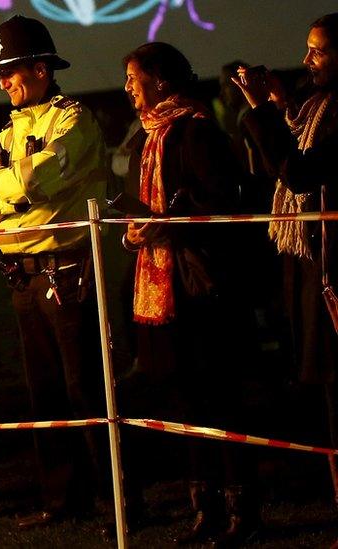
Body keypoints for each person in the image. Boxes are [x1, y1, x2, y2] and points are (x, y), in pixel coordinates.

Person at [0, 15, 110, 528]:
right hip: (24, 278)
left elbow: (37, 179)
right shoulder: (9, 129)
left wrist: (14, 188)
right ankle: (61, 498)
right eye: (0, 72)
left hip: (66, 273)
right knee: (43, 396)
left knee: (86, 390)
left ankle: (114, 498)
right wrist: (19, 190)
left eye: (12, 70)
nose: (3, 82)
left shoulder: (75, 120)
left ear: (42, 69)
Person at [121, 43, 259, 545]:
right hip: (158, 285)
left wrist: (168, 227)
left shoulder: (196, 131)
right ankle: (203, 508)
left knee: (219, 397)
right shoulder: (143, 138)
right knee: (182, 400)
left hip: (200, 287)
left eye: (134, 78)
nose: (128, 88)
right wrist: (134, 231)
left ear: (159, 79)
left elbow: (220, 203)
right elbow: (142, 206)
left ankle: (242, 507)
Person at [235, 14, 338, 546]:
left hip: (334, 269)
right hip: (314, 266)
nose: (306, 61)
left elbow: (299, 171)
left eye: (317, 51)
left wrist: (261, 112)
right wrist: (277, 107)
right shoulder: (315, 105)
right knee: (326, 394)